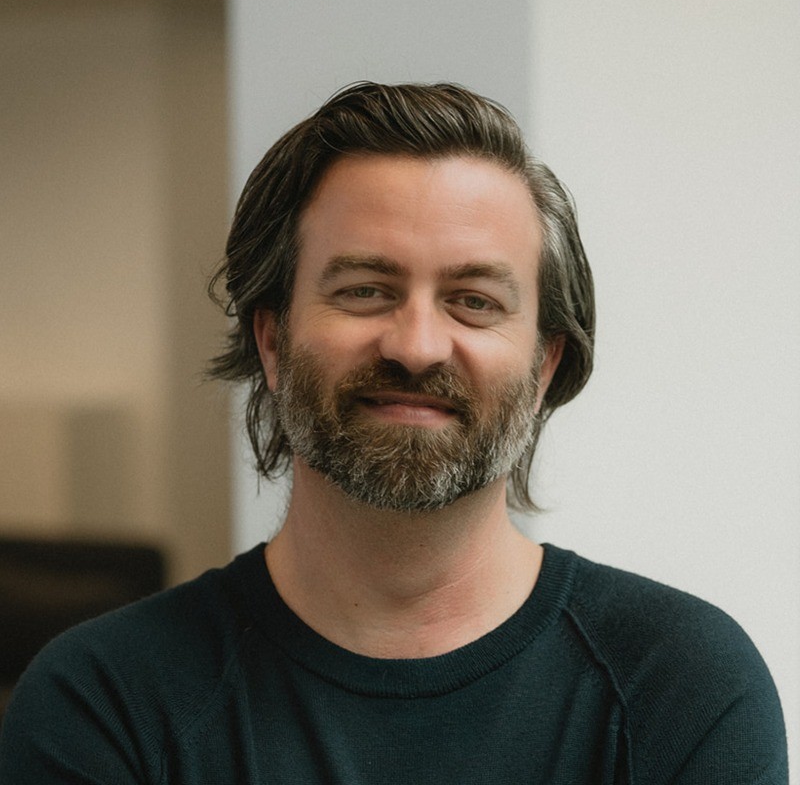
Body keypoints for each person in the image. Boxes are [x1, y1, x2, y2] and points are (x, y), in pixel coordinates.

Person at [0, 82, 788, 783]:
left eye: (474, 300)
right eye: (366, 290)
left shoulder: (679, 686)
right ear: (272, 342)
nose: (416, 345)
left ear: (545, 365)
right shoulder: (106, 699)